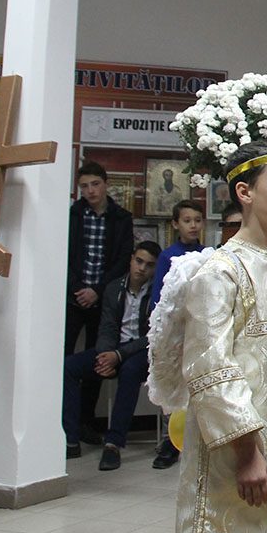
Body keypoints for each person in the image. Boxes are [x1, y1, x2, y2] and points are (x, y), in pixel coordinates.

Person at [148, 141, 267, 533]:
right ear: (245, 192)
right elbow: (211, 366)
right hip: (240, 448)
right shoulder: (220, 272)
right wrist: (247, 452)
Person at [63, 240, 160, 468]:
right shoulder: (114, 288)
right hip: (114, 350)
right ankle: (70, 439)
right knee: (69, 367)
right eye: (139, 261)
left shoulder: (158, 293)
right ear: (131, 259)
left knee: (130, 371)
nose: (141, 268)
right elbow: (106, 327)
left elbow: (152, 336)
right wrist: (105, 355)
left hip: (141, 353)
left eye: (149, 265)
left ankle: (113, 443)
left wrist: (118, 355)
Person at [67, 160, 134, 445]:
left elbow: (122, 260)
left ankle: (86, 420)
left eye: (95, 184)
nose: (90, 191)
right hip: (73, 297)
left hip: (104, 298)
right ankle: (64, 423)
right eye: (84, 186)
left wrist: (97, 290)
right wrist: (78, 289)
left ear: (106, 184)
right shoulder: (73, 215)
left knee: (98, 357)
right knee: (64, 358)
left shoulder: (121, 218)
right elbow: (64, 254)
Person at [148, 199, 206, 470]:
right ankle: (170, 444)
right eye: (187, 220)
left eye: (197, 220)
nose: (193, 225)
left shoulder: (208, 254)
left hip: (199, 328)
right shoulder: (167, 256)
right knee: (174, 386)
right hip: (176, 330)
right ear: (175, 224)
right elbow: (160, 297)